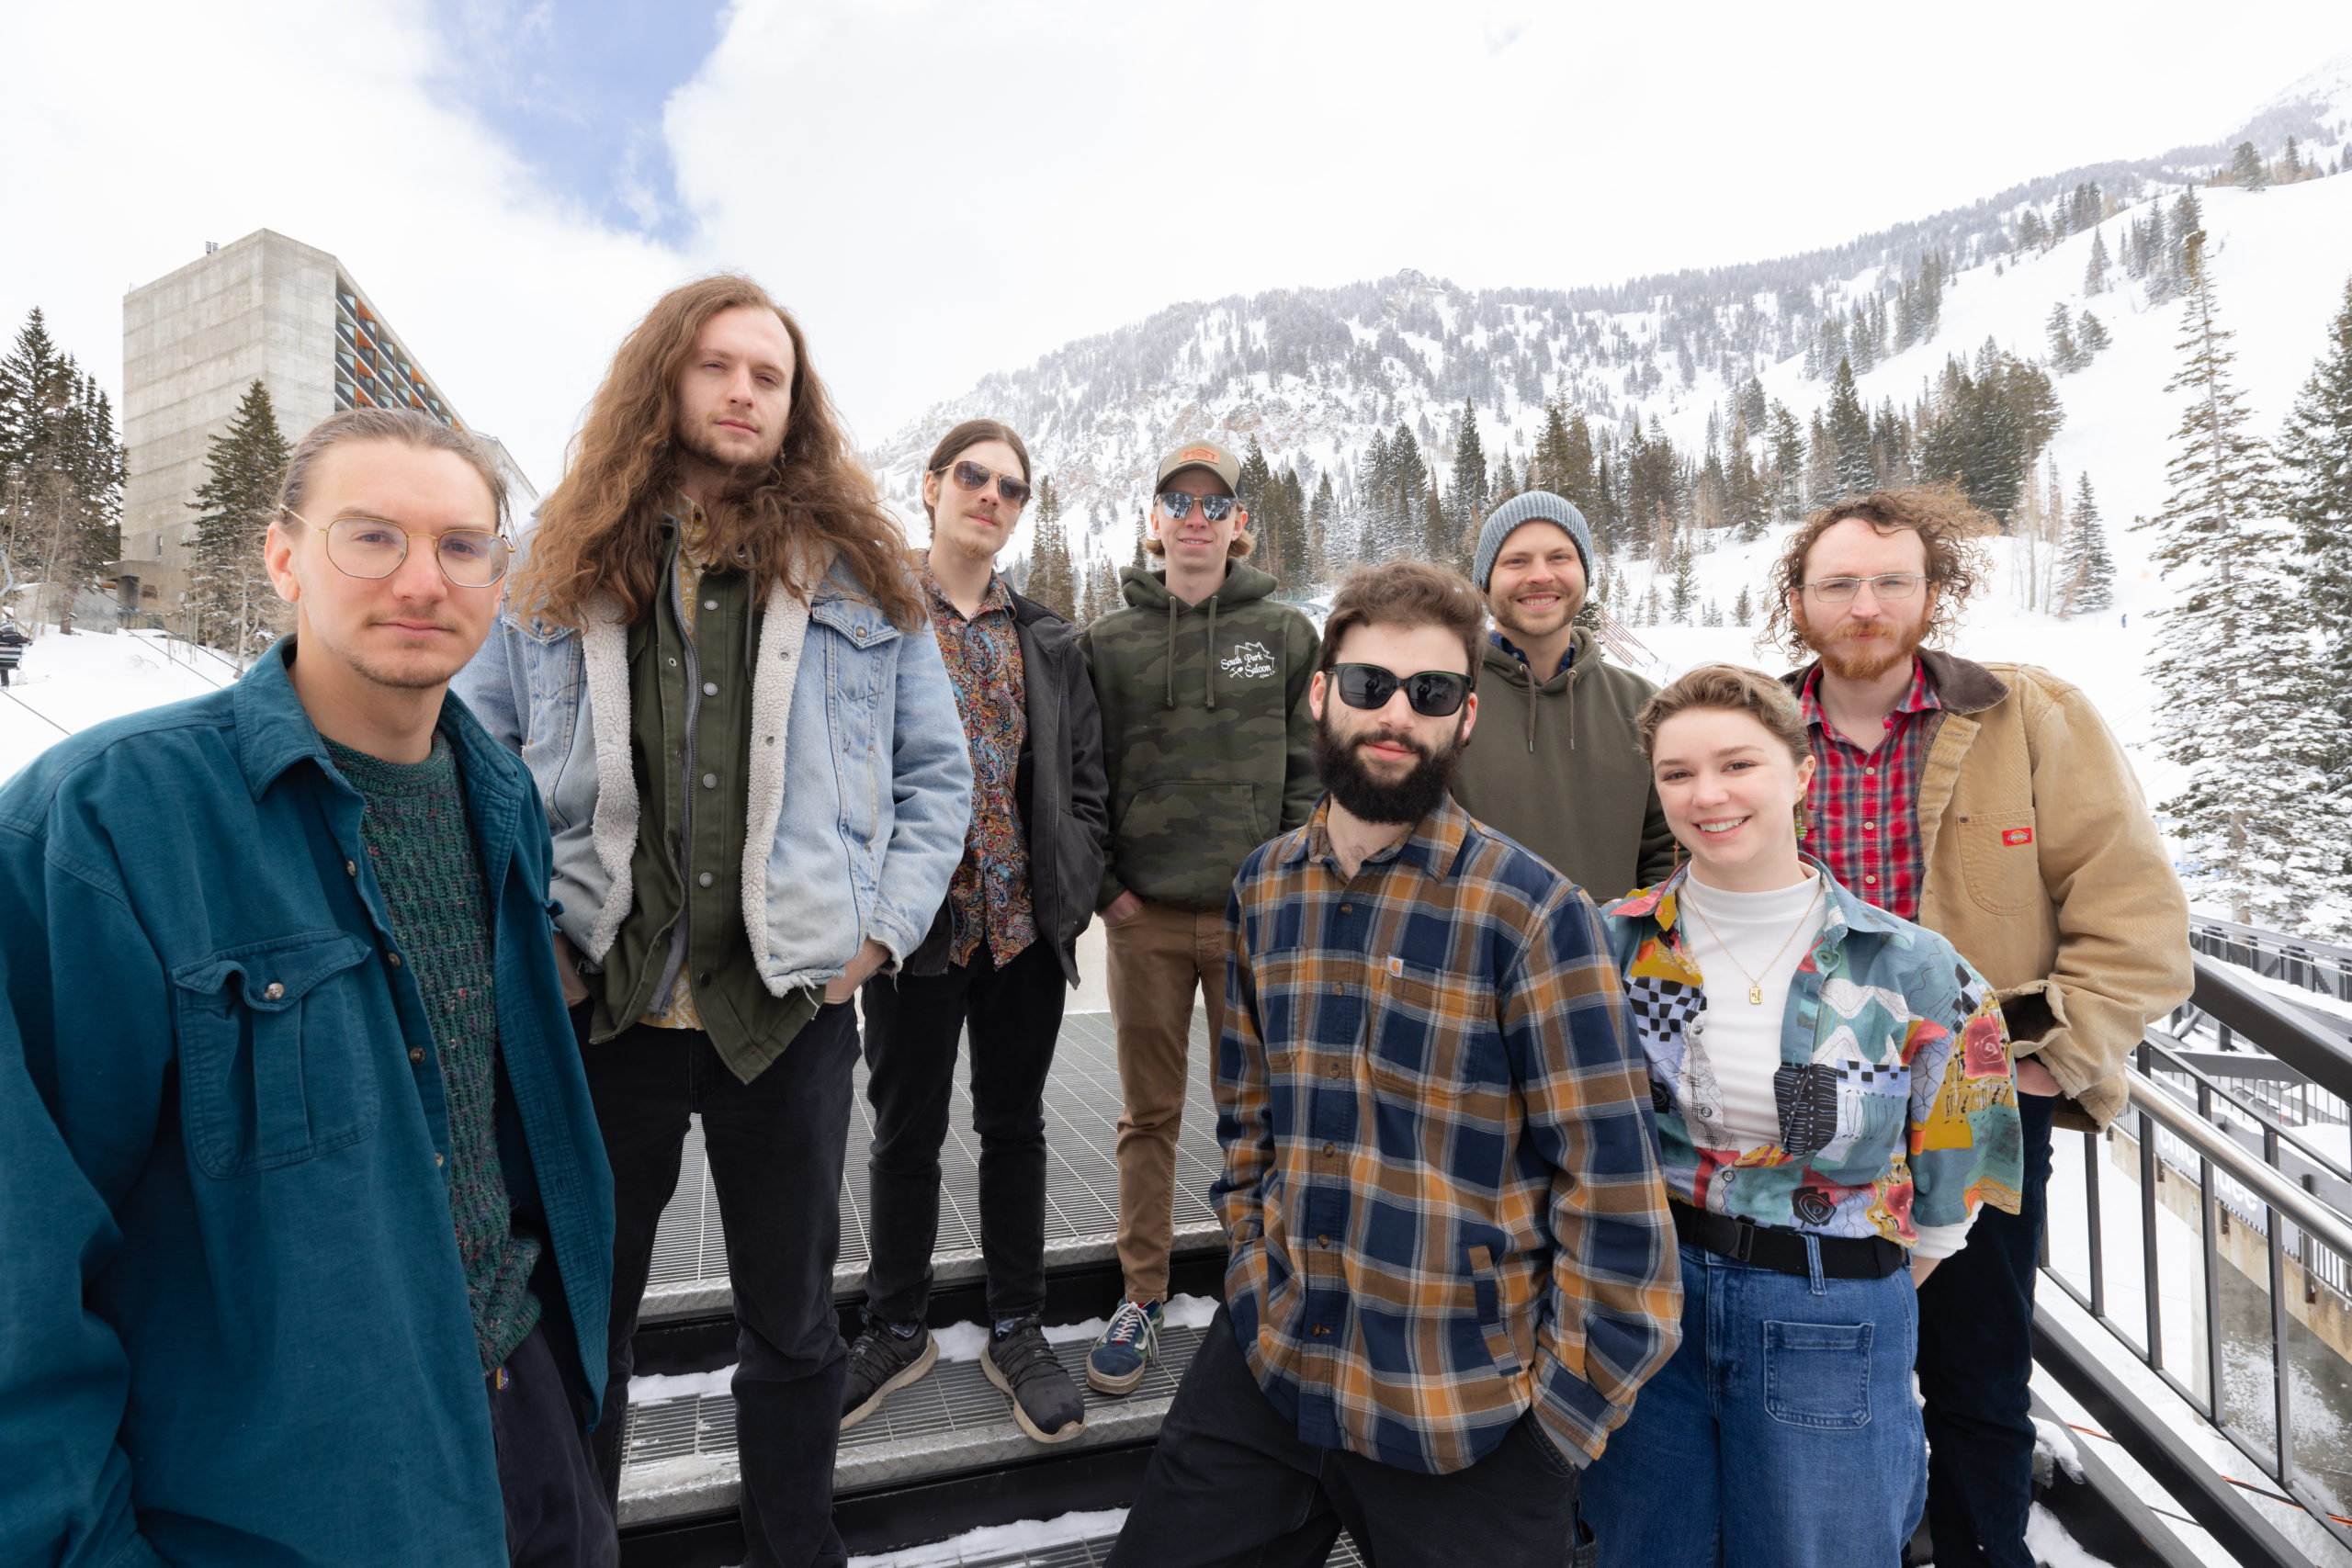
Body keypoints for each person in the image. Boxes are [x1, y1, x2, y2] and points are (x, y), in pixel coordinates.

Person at [0, 409, 616, 1566]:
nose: (422, 580)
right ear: (283, 557)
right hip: (294, 1496)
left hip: (525, 1417)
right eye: (371, 537)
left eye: (461, 546)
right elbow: (18, 1265)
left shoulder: (502, 805)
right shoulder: (103, 826)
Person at [455, 276, 971, 1568]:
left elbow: (937, 777)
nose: (744, 391)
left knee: (795, 1320)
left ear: (796, 407)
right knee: (588, 1316)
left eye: (770, 375)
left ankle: (795, 1545)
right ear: (666, 382)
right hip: (605, 1002)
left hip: (787, 1003)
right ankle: (581, 1542)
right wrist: (533, 941)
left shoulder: (864, 575)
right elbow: (474, 753)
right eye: (718, 365)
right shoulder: (559, 564)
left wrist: (878, 934)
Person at [1107, 560, 1680, 1568]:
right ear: (1321, 694)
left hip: (1461, 1399)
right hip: (1274, 1357)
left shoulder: (1531, 913)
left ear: (1465, 720)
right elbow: (1248, 1124)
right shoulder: (1265, 888)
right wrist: (1248, 1267)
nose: (1396, 715)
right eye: (1370, 685)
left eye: (1432, 694)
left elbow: (1614, 1191)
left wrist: (1557, 1431)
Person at [1764, 490, 2191, 1568]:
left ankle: (1978, 1552)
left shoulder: (2027, 716)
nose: (1866, 605)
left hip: (1976, 1099)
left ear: (1932, 591)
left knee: (1977, 1370)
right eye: (1839, 584)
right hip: (1803, 1102)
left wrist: (2048, 1069)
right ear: (1797, 601)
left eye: (1891, 581)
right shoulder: (1758, 730)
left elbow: (2133, 916)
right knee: (1815, 1356)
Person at [1579, 663, 2024, 1567]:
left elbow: (1954, 1180)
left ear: (1801, 771)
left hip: (1830, 1315)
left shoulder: (1911, 969)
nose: (1707, 795)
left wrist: (1841, 1282)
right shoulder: (1604, 946)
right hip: (1645, 1305)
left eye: (1737, 764)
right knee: (1645, 1547)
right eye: (1677, 774)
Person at [840, 419, 1106, 1445]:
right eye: (972, 477)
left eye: (1009, 486)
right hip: (913, 932)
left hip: (1020, 930)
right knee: (905, 1131)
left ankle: (1017, 1325)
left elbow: (1084, 779)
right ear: (932, 486)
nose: (988, 496)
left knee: (1015, 1127)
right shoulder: (869, 619)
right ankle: (895, 1323)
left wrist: (1068, 887)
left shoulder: (1044, 637)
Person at [1079, 439, 1320, 1395]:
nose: (1193, 516)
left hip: (1250, 922)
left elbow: (1308, 771)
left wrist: (1284, 885)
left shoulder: (1287, 635)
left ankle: (1251, 1289)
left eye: (1212, 504)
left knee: (1255, 1114)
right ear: (1153, 519)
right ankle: (1139, 1294)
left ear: (1237, 524)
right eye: (1175, 500)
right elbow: (1079, 773)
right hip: (1142, 919)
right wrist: (1106, 889)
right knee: (1148, 1114)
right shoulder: (1111, 641)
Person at [1449, 491, 1677, 899]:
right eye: (1516, 561)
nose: (1540, 575)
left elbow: (1666, 849)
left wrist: (1637, 943)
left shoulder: (1643, 704)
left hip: (1612, 956)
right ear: (1484, 584)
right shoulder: (1442, 697)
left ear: (1585, 575)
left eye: (1559, 558)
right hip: (1473, 957)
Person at [0, 616, 25, 685]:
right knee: (3, 665)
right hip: (13, 662)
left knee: (2, 663)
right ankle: (5, 683)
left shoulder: (1, 637)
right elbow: (28, 641)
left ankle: (5, 682)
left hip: (1, 661)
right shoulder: (19, 636)